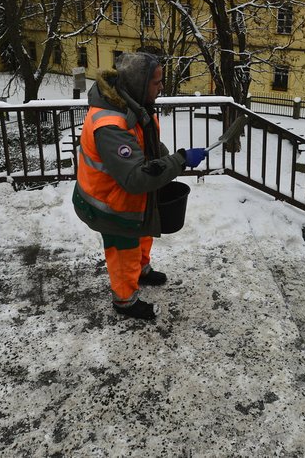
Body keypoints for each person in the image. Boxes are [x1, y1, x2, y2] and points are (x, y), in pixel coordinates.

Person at [72, 52, 206, 320]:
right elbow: (134, 178)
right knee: (124, 248)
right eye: (156, 83)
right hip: (108, 204)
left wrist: (169, 158)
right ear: (139, 83)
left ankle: (141, 270)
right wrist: (179, 161)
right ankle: (125, 300)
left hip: (128, 197)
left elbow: (146, 145)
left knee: (143, 229)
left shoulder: (132, 104)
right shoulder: (110, 125)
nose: (161, 88)